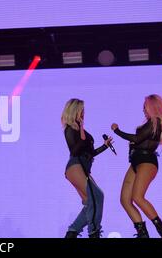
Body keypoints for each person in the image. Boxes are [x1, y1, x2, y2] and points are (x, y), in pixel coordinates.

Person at [111, 94, 162, 238]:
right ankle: (143, 234)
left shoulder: (155, 121)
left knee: (138, 197)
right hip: (136, 162)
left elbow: (137, 138)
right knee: (125, 200)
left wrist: (117, 130)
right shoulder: (150, 123)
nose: (143, 109)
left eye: (145, 106)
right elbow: (138, 141)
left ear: (152, 107)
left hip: (146, 161)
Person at [62, 98, 113, 238]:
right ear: (75, 111)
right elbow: (76, 149)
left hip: (83, 166)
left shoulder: (79, 130)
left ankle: (72, 232)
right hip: (75, 165)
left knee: (93, 200)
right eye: (81, 110)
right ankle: (94, 232)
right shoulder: (70, 129)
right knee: (97, 196)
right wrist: (81, 127)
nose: (83, 113)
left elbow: (89, 153)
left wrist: (105, 146)